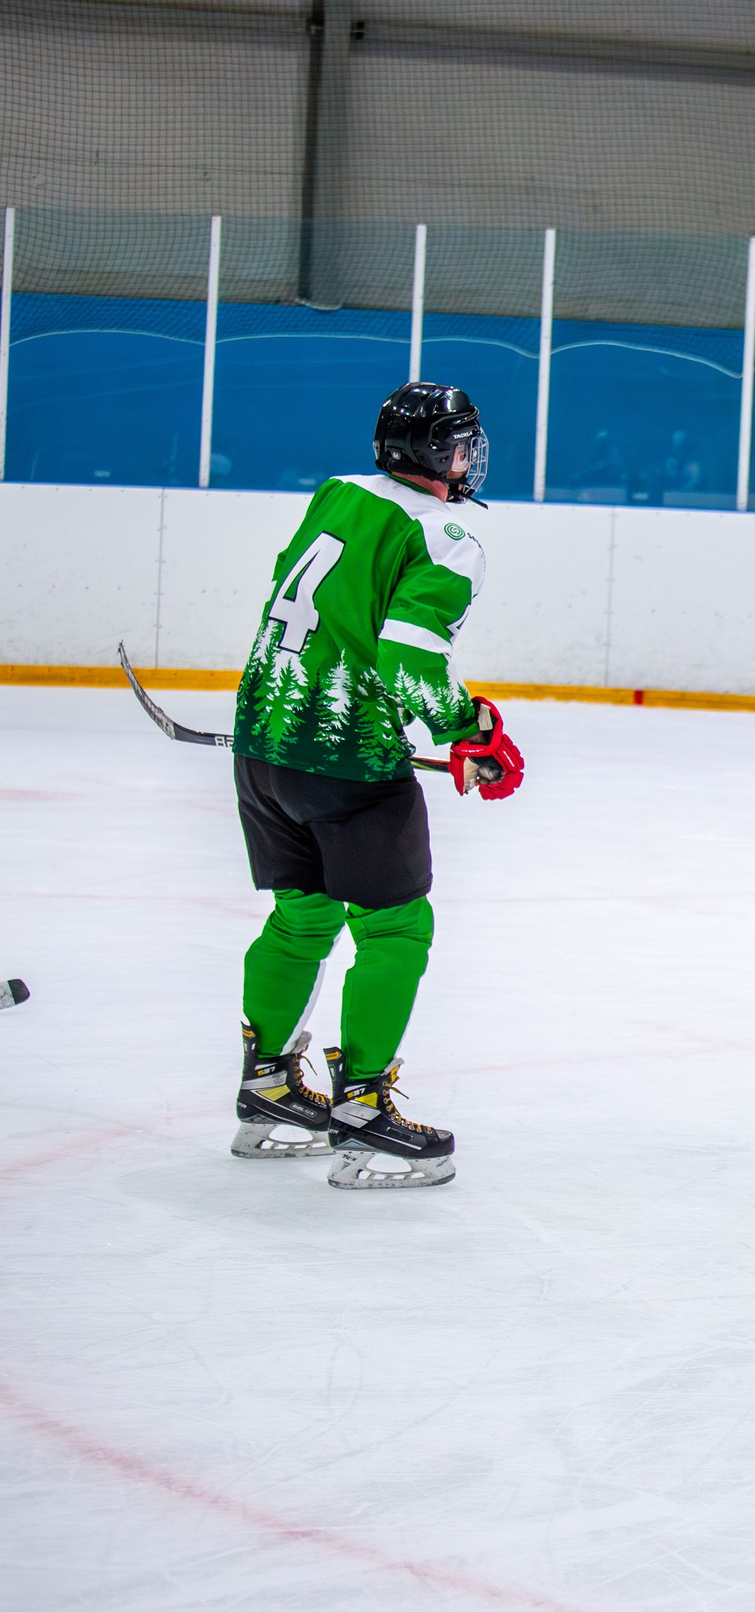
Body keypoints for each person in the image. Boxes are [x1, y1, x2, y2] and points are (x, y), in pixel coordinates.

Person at [228, 381, 526, 1189]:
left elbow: (319, 609)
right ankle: (362, 1106)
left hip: (263, 741)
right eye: (460, 444)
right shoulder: (448, 534)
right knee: (396, 928)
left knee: (301, 917)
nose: (469, 458)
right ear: (436, 454)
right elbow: (409, 661)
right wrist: (473, 729)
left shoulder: (339, 493)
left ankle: (268, 1088)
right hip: (347, 761)